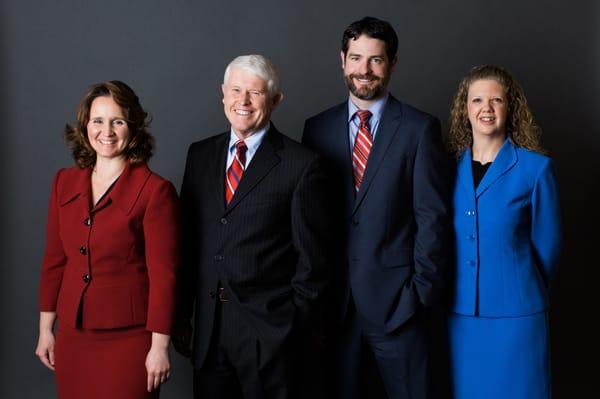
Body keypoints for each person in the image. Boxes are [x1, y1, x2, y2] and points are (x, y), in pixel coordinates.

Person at [302, 16, 453, 399]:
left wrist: (417, 294)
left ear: (392, 63)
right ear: (342, 59)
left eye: (375, 60)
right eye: (356, 58)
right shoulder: (316, 129)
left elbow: (432, 219)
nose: (364, 70)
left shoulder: (419, 129)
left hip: (399, 307)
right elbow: (310, 221)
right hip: (334, 308)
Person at [174, 54, 331, 399]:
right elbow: (189, 242)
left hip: (269, 336)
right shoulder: (199, 155)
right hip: (209, 332)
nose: (242, 102)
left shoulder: (301, 164)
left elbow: (314, 262)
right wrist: (183, 315)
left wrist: (289, 327)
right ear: (223, 94)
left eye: (255, 94)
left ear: (275, 101)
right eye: (236, 90)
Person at [35, 81, 180, 399]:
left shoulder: (156, 191)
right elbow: (55, 260)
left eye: (118, 121)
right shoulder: (64, 182)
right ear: (85, 125)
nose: (107, 131)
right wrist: (46, 330)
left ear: (133, 127)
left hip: (130, 340)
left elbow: (164, 276)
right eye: (98, 121)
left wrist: (159, 347)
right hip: (73, 335)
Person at [446, 64, 561, 398]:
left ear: (510, 108)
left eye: (496, 100)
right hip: (461, 313)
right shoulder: (446, 169)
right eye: (477, 100)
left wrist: (520, 286)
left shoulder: (536, 169)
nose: (487, 108)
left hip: (518, 314)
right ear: (464, 109)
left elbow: (548, 247)